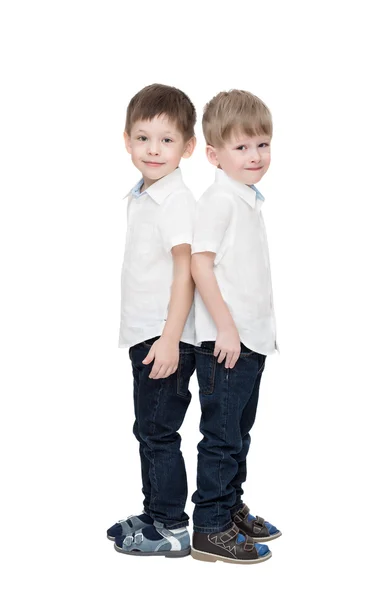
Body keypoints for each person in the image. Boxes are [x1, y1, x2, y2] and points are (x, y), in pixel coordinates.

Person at [190, 90, 282, 564]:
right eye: (242, 147)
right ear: (214, 155)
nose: (255, 156)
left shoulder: (246, 198)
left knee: (239, 433)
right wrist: (226, 328)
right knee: (222, 436)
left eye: (262, 144)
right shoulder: (219, 199)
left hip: (252, 341)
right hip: (227, 343)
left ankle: (228, 508)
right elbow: (200, 265)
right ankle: (209, 527)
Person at [107, 84, 197, 557]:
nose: (154, 150)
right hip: (147, 334)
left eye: (166, 140)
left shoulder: (176, 201)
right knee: (148, 428)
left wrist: (170, 338)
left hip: (166, 338)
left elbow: (187, 272)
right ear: (127, 141)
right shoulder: (144, 195)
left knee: (159, 431)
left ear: (188, 147)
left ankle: (172, 528)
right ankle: (155, 511)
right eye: (143, 138)